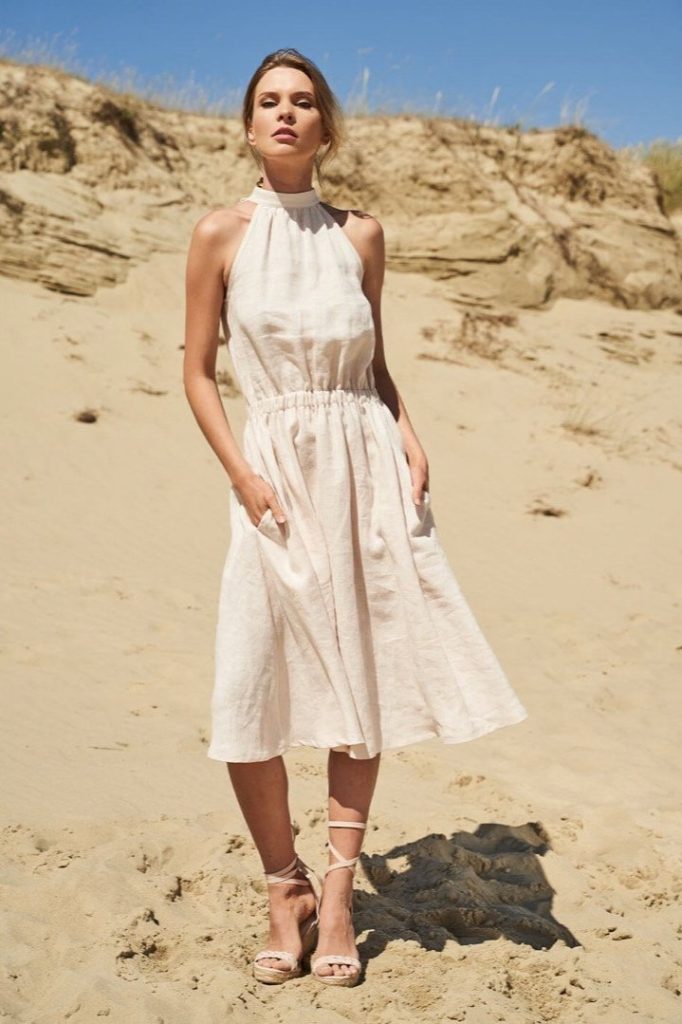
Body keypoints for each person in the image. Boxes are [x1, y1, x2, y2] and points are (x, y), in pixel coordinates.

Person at [183, 48, 527, 988]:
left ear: (326, 127)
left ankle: (335, 896)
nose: (285, 114)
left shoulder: (361, 235)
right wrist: (242, 473)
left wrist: (409, 435)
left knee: (356, 675)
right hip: (274, 469)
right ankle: (282, 885)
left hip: (362, 462)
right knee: (249, 679)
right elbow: (197, 371)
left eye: (303, 102)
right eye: (269, 102)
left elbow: (375, 363)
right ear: (248, 126)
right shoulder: (219, 233)